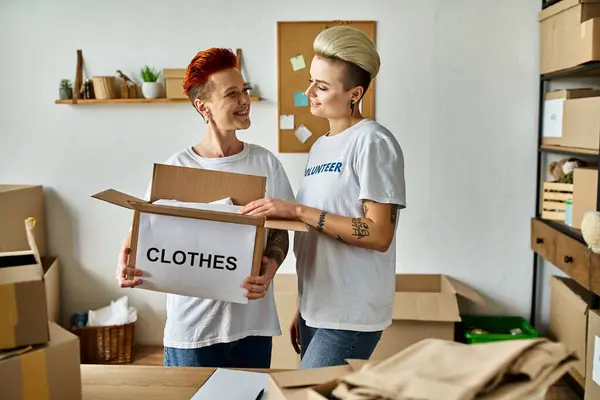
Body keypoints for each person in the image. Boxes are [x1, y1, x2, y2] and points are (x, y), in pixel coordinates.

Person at [116, 48, 295, 368]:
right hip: (193, 333)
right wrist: (126, 257)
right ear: (204, 106)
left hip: (252, 328)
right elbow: (143, 231)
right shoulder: (178, 168)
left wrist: (269, 270)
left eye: (245, 90)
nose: (244, 100)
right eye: (232, 94)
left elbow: (281, 229)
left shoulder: (265, 163)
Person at [240, 26, 406, 369]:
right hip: (319, 309)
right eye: (311, 80)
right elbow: (319, 240)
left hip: (351, 314)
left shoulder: (373, 142)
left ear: (354, 93)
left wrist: (298, 210)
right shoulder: (320, 147)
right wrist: (305, 306)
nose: (309, 92)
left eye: (322, 86)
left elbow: (379, 234)